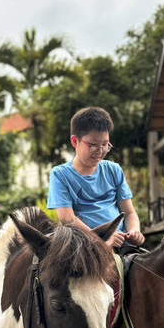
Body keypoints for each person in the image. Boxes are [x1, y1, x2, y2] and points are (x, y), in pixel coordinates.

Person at [47, 106, 145, 249]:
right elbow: (68, 220)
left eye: (105, 144)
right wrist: (101, 241)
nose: (100, 151)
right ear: (74, 141)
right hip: (85, 247)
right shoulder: (60, 175)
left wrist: (134, 231)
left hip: (120, 243)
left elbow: (129, 213)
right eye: (93, 145)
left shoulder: (113, 170)